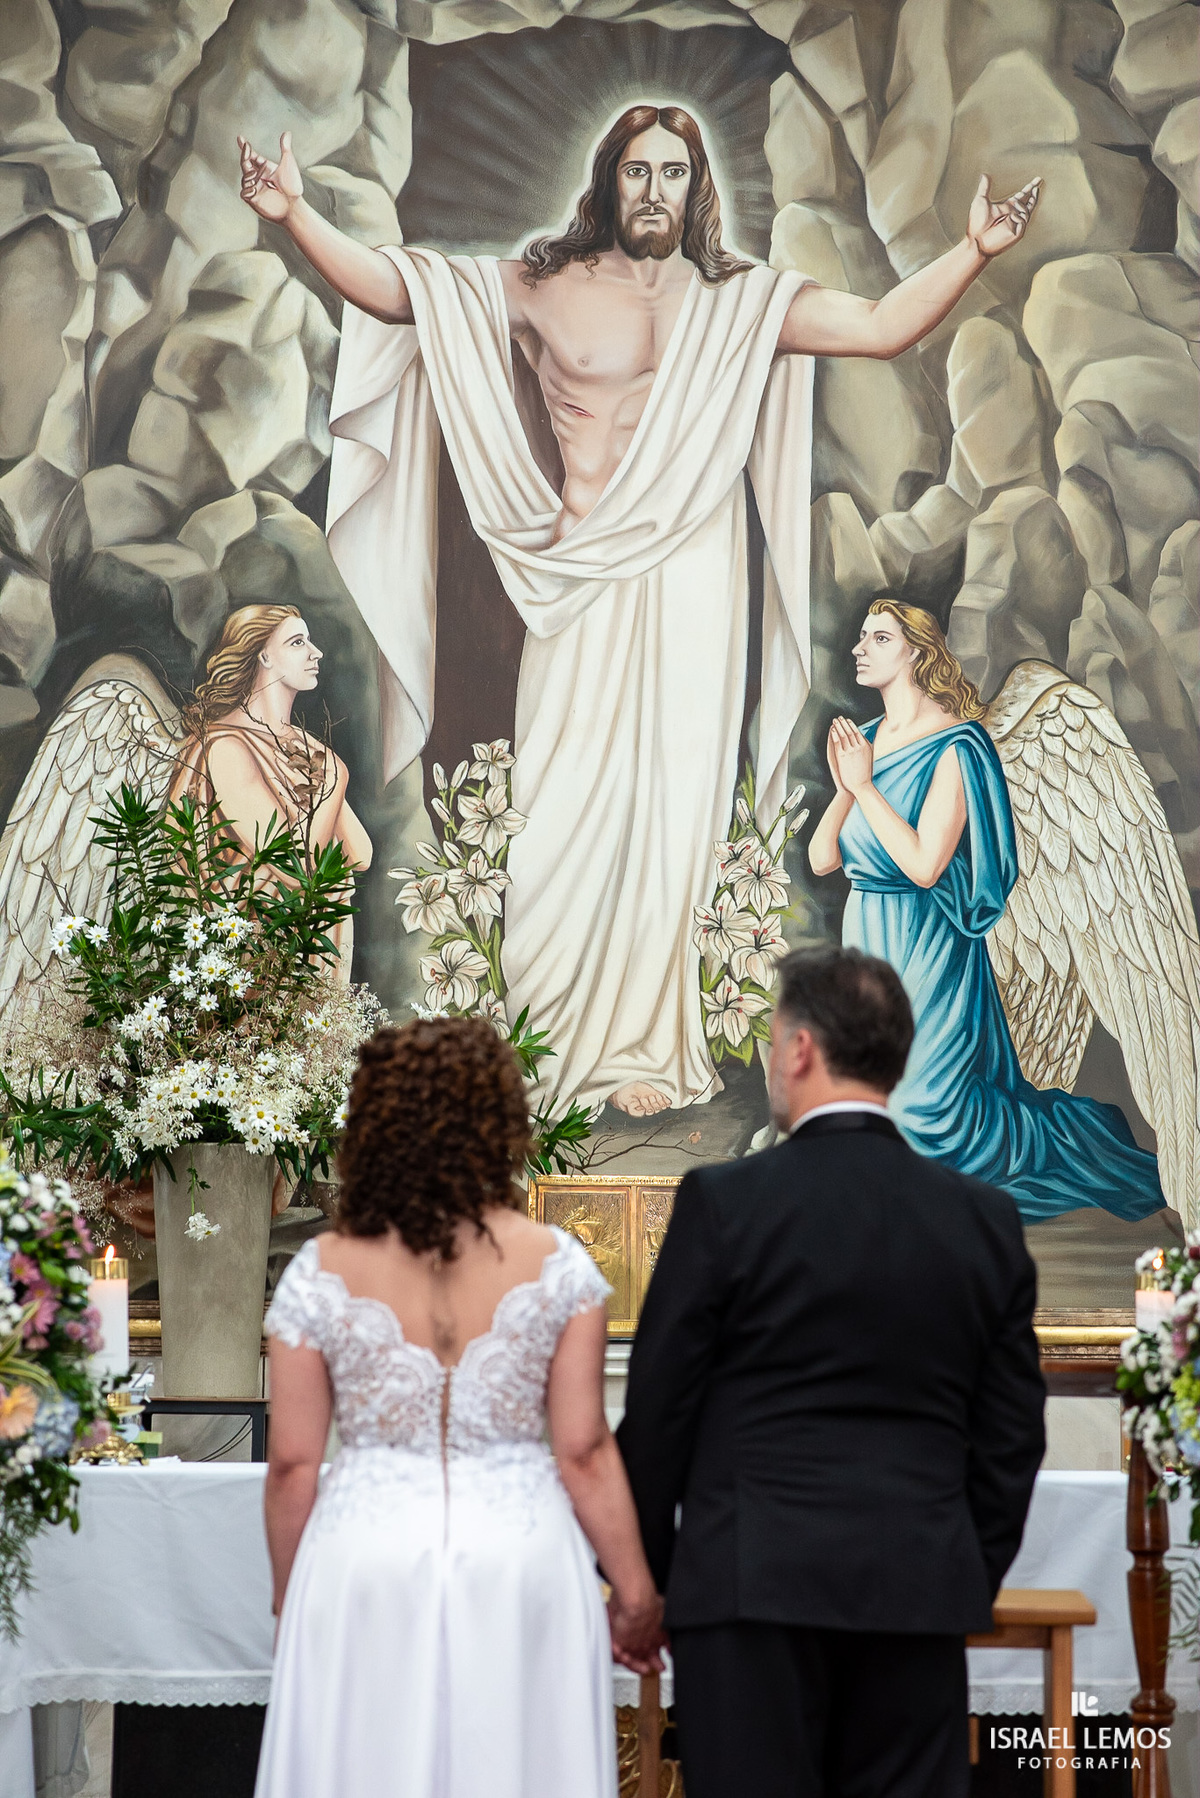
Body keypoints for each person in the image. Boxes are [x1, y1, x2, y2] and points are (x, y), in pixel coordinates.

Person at [234, 107, 1041, 1119]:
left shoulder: (738, 303)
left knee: (674, 804)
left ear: (697, 184)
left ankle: (644, 1048)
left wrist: (973, 250)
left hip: (699, 575)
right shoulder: (545, 285)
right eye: (636, 171)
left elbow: (880, 328)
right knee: (564, 798)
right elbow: (404, 296)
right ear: (606, 182)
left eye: (673, 171)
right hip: (575, 574)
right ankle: (543, 1031)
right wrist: (295, 215)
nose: (654, 190)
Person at [617, 946, 1046, 1798]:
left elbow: (659, 1414)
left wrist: (656, 1583)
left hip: (747, 1595)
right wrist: (959, 1569)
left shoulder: (724, 1204)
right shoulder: (983, 1220)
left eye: (775, 1041)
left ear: (803, 1048)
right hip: (915, 1591)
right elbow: (1011, 1441)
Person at [254, 1017, 663, 1798]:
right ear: (499, 1124)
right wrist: (636, 1593)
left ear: (371, 1125)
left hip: (363, 1562)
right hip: (521, 1559)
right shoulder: (558, 1264)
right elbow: (582, 1451)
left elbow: (293, 1464)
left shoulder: (319, 1268)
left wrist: (290, 1594)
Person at [807, 597, 1165, 1222]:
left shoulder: (958, 745)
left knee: (924, 1115)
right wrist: (844, 791)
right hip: (867, 944)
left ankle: (1074, 1151)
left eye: (880, 638)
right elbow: (821, 860)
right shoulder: (864, 740)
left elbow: (924, 865)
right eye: (861, 635)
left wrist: (864, 788)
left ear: (917, 653)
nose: (861, 647)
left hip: (929, 947)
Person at [171, 603, 373, 976]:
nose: (316, 653)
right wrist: (333, 781)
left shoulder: (307, 748)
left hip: (319, 950)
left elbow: (360, 855)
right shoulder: (227, 747)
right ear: (263, 655)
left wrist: (330, 777)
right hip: (259, 966)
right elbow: (297, 872)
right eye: (297, 642)